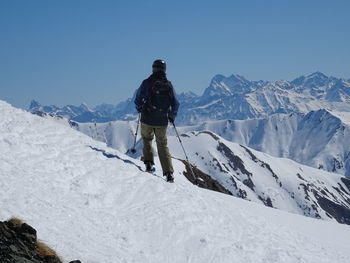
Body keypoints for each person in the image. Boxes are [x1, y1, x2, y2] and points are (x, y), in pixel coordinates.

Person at [134, 59, 179, 182]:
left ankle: (149, 164)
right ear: (164, 70)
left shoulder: (147, 82)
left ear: (153, 68)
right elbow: (175, 103)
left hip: (147, 118)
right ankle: (169, 173)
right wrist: (172, 115)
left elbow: (138, 98)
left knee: (147, 140)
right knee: (162, 145)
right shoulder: (168, 85)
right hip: (162, 121)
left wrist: (139, 108)